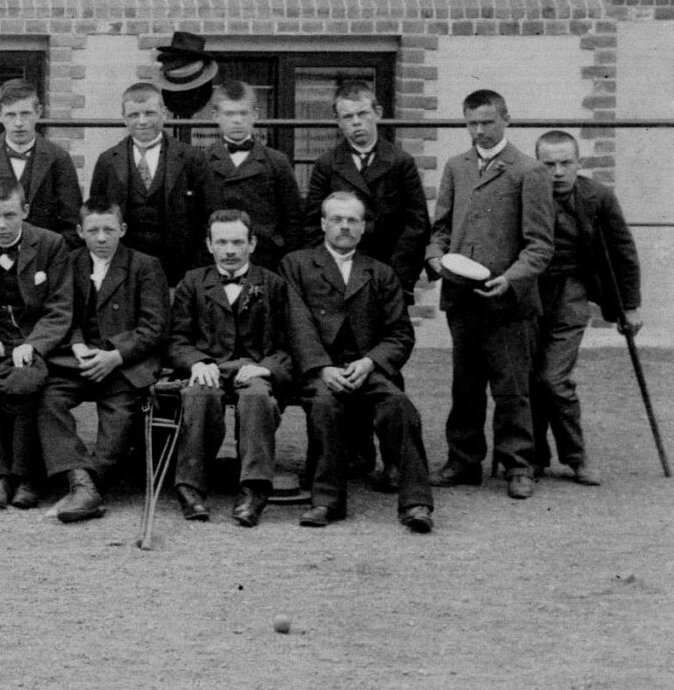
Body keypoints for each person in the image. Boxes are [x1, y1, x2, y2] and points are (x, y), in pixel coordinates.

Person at [426, 88, 555, 499]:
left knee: (511, 385)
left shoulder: (529, 171)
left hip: (508, 301)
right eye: (471, 123)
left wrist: (511, 279)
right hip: (461, 298)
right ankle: (463, 461)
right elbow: (441, 229)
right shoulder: (456, 167)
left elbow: (540, 245)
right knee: (464, 384)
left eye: (487, 122)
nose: (479, 131)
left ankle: (518, 464)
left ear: (505, 120)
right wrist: (435, 258)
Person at [287, 190, 434, 531]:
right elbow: (296, 324)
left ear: (364, 227)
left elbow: (400, 333)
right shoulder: (296, 264)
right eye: (336, 219)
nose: (344, 227)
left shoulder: (380, 272)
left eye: (353, 220)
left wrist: (370, 363)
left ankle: (415, 504)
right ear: (323, 224)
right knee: (325, 405)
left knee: (399, 406)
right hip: (319, 368)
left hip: (365, 367)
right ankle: (326, 501)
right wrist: (322, 367)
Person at [37, 198, 170, 525]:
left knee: (118, 425)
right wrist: (79, 344)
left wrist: (115, 355)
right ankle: (81, 481)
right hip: (79, 360)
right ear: (80, 231)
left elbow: (154, 327)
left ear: (122, 229)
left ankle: (87, 488)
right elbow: (60, 313)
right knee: (47, 399)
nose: (101, 238)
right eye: (93, 230)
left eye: (109, 229)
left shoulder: (144, 266)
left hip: (124, 364)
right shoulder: (68, 263)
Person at [167, 211, 296, 526]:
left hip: (252, 371)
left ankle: (253, 489)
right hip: (208, 369)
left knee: (256, 398)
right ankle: (191, 486)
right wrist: (196, 361)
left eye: (238, 242)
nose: (229, 250)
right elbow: (176, 340)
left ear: (252, 243)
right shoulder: (193, 283)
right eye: (221, 242)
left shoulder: (274, 284)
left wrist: (266, 368)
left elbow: (289, 343)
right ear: (209, 244)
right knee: (198, 394)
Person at [531, 130, 641, 486]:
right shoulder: (526, 193)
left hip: (572, 291)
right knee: (531, 378)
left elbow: (623, 251)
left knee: (553, 378)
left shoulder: (598, 197)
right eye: (549, 164)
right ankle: (534, 456)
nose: (558, 172)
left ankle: (576, 458)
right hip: (530, 292)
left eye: (566, 163)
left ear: (579, 163)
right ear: (538, 165)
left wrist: (630, 306)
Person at [0, 177, 74, 510]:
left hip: (31, 343)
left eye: (10, 214)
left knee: (25, 380)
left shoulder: (50, 244)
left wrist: (34, 345)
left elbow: (60, 307)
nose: (2, 224)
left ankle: (26, 476)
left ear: (25, 210)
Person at [299, 83, 429, 293]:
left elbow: (417, 224)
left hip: (387, 271)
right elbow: (313, 224)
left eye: (362, 114)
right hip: (338, 273)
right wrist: (324, 273)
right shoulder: (327, 164)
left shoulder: (401, 162)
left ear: (377, 113)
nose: (357, 122)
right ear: (338, 122)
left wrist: (397, 277)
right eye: (348, 117)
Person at [86, 81, 208, 280]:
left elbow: (208, 216)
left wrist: (195, 272)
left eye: (149, 113)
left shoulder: (191, 158)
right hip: (124, 269)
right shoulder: (108, 161)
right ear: (124, 118)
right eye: (134, 115)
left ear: (164, 113)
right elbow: (96, 214)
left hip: (178, 269)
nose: (142, 121)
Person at [0, 80, 83, 243]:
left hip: (43, 260)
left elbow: (73, 222)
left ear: (38, 112)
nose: (19, 123)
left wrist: (54, 259)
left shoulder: (58, 158)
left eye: (25, 114)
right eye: (11, 115)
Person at [194, 81, 301, 270]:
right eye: (229, 114)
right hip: (215, 260)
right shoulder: (201, 162)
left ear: (255, 114)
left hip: (265, 258)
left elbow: (291, 218)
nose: (237, 120)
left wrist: (286, 261)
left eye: (243, 113)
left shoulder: (276, 161)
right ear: (215, 116)